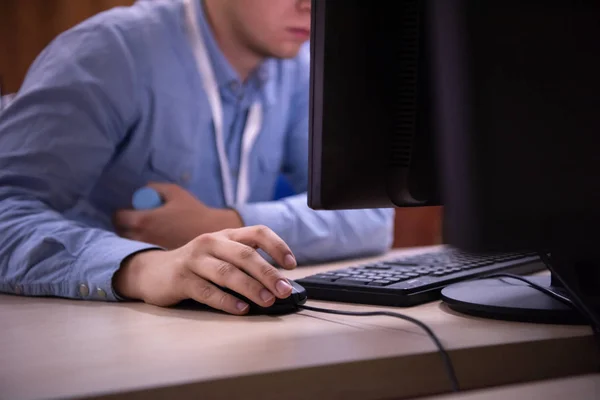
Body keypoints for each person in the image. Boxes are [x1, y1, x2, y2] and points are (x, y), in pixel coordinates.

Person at [0, 0, 394, 314]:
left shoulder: (298, 65)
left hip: (215, 326)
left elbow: (372, 213)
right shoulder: (109, 51)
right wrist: (142, 266)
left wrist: (223, 223)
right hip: (80, 327)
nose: (313, 5)